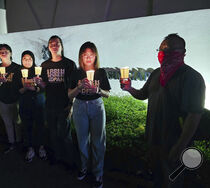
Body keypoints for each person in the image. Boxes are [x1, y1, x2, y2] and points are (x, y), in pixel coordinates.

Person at [120, 33, 205, 188]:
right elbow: (143, 94)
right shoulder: (156, 74)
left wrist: (180, 146)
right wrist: (129, 88)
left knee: (173, 181)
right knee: (158, 179)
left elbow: (194, 115)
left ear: (183, 53)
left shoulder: (192, 78)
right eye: (161, 49)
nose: (164, 54)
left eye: (170, 50)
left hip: (174, 143)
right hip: (154, 140)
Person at [68, 41, 111, 188]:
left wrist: (97, 90)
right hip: (79, 106)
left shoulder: (101, 72)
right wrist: (79, 88)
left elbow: (107, 94)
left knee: (98, 140)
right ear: (81, 56)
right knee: (82, 140)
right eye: (85, 55)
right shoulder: (76, 73)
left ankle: (98, 173)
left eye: (91, 55)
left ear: (95, 56)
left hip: (96, 106)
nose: (88, 58)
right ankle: (84, 167)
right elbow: (69, 95)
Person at [40, 35, 77, 167]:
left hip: (64, 105)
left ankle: (69, 161)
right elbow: (44, 86)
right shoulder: (44, 65)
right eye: (51, 43)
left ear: (61, 46)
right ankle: (56, 157)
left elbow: (74, 87)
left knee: (65, 134)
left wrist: (71, 106)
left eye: (57, 43)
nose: (54, 46)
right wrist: (39, 84)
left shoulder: (69, 64)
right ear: (48, 47)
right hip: (50, 104)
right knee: (53, 133)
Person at [14, 50, 47, 162]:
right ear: (21, 60)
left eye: (29, 59)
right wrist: (25, 88)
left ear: (33, 60)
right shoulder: (18, 72)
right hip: (25, 102)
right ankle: (30, 148)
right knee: (27, 125)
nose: (27, 61)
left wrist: (37, 86)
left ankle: (41, 147)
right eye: (24, 59)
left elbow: (44, 86)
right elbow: (16, 90)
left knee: (40, 124)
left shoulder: (38, 70)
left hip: (38, 102)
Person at [0, 44, 21, 154]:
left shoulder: (17, 68)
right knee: (8, 123)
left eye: (5, 51)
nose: (3, 53)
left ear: (11, 53)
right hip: (2, 100)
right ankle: (11, 143)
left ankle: (19, 142)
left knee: (17, 122)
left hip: (16, 99)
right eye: (0, 51)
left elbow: (22, 84)